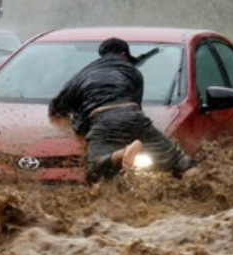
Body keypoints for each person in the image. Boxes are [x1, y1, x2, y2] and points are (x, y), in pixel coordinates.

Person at [48, 37, 198, 184]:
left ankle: (121, 154)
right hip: (134, 116)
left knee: (93, 171)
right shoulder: (133, 71)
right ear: (123, 55)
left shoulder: (83, 75)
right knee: (180, 160)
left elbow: (56, 107)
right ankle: (201, 190)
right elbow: (136, 105)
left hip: (103, 120)